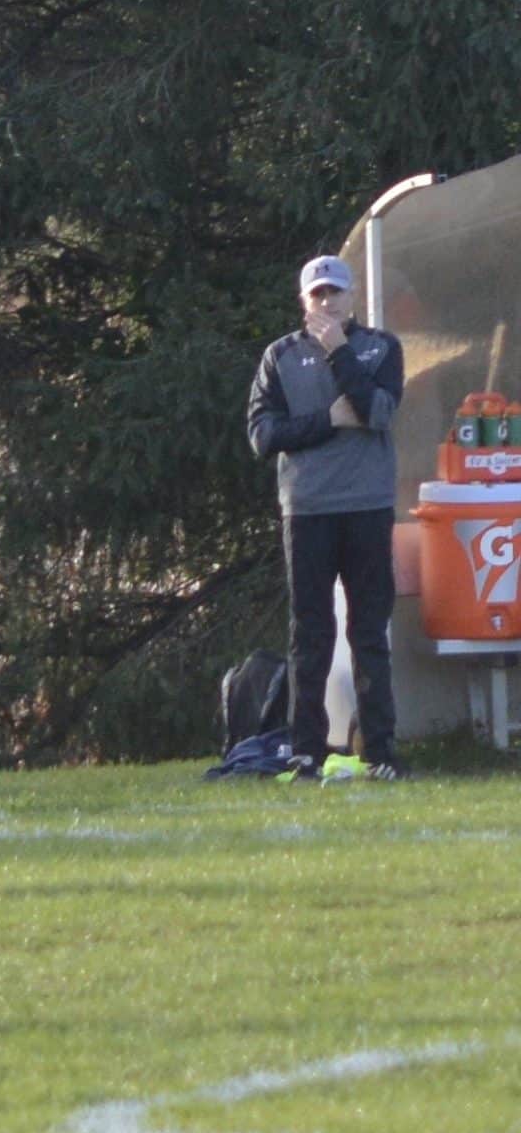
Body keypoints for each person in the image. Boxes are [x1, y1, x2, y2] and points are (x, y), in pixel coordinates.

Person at [245, 253, 407, 782]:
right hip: (308, 510)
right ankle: (305, 751)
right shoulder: (280, 357)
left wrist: (340, 353)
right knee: (310, 632)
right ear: (302, 300)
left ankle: (380, 751)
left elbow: (377, 411)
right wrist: (323, 421)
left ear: (352, 296)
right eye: (317, 293)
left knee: (369, 632)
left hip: (367, 506)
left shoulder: (381, 347)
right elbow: (263, 435)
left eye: (335, 291)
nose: (327, 301)